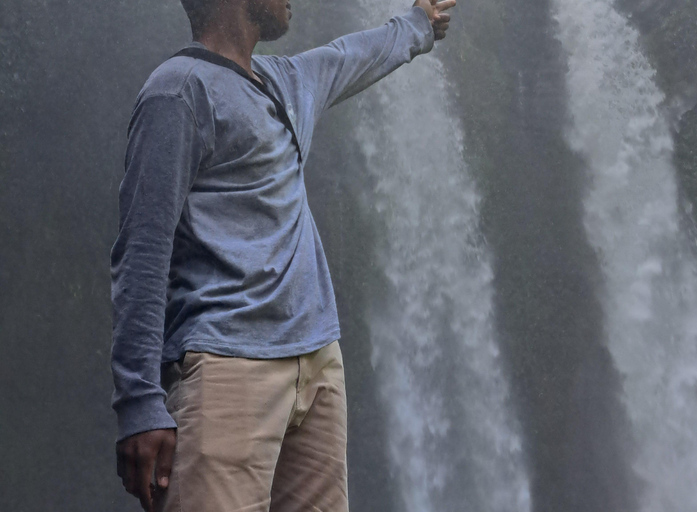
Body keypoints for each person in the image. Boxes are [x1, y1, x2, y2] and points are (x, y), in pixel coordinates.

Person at [110, 0, 454, 510]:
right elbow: (142, 252)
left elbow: (351, 55)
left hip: (318, 367)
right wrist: (140, 402)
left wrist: (418, 23)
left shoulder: (285, 80)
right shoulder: (178, 91)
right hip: (227, 366)